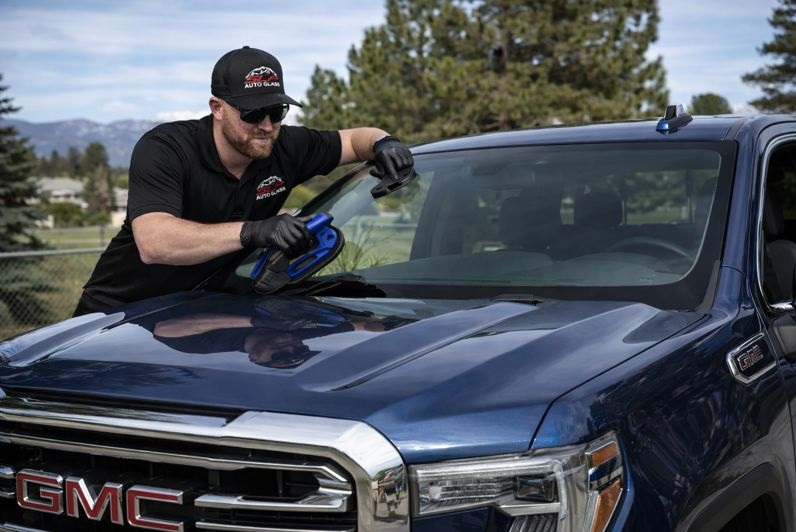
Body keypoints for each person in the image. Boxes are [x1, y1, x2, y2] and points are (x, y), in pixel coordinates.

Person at [73, 46, 413, 316]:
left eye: (277, 111)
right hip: (120, 316)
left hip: (210, 314)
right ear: (217, 108)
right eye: (252, 113)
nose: (266, 125)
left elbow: (355, 140)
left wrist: (386, 143)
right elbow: (155, 242)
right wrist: (255, 230)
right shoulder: (166, 148)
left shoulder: (286, 146)